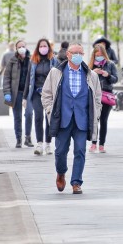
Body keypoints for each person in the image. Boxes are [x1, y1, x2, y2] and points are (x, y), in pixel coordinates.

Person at [41, 43, 102, 194]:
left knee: (80, 151)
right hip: (63, 119)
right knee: (60, 151)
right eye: (75, 52)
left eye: (81, 53)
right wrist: (50, 111)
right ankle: (61, 172)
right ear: (68, 54)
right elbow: (46, 94)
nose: (78, 56)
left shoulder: (91, 75)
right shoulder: (56, 73)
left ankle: (76, 182)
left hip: (82, 119)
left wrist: (96, 113)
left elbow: (98, 98)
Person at [24, 38, 58, 155]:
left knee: (49, 118)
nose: (43, 48)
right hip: (36, 93)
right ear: (38, 48)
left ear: (49, 47)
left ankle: (48, 144)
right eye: (41, 46)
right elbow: (28, 79)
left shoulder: (53, 61)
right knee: (38, 117)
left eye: (45, 46)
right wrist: (25, 97)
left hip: (50, 94)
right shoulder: (33, 61)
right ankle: (39, 143)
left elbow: (59, 77)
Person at [3, 40, 34, 148]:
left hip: (28, 93)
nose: (21, 48)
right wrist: (7, 92)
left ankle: (28, 137)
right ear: (16, 49)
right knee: (17, 117)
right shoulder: (12, 61)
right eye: (19, 47)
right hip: (16, 92)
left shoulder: (31, 60)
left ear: (26, 47)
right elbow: (6, 77)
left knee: (29, 114)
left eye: (23, 46)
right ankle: (18, 139)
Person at [88, 44, 118, 153]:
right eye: (97, 55)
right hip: (94, 95)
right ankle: (93, 143)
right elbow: (85, 79)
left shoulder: (110, 64)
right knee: (95, 119)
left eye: (101, 55)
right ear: (94, 55)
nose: (99, 57)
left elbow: (115, 79)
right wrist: (92, 73)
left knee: (103, 120)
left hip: (106, 95)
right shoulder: (90, 66)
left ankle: (101, 144)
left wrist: (107, 75)